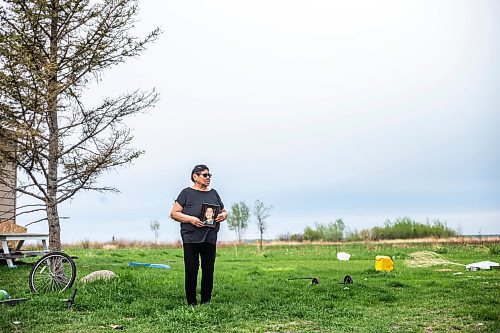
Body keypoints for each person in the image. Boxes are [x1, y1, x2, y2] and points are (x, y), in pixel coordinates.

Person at [170, 164, 228, 305]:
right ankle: (191, 303)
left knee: (208, 270)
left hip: (210, 237)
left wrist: (224, 215)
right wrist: (191, 219)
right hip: (191, 238)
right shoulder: (186, 193)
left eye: (209, 175)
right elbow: (174, 213)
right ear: (195, 176)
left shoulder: (213, 193)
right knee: (191, 270)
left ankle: (206, 301)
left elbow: (224, 210)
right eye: (205, 175)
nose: (208, 178)